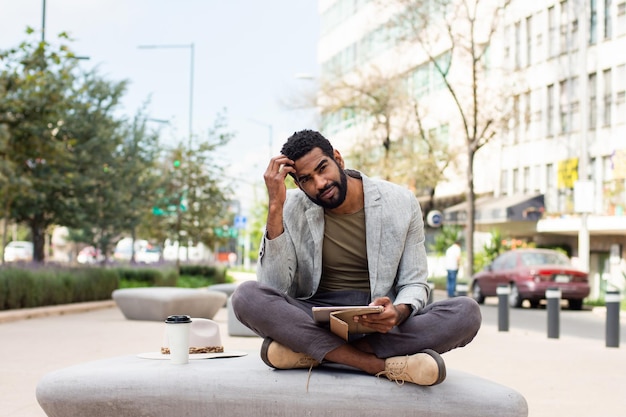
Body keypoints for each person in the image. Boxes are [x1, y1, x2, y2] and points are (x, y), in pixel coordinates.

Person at [232, 130, 481, 387]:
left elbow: (414, 283)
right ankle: (373, 364)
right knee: (246, 296)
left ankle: (313, 353)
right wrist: (275, 206)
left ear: (338, 159)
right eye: (307, 179)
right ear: (298, 184)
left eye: (322, 169)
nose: (319, 183)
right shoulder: (290, 205)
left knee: (466, 312)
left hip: (377, 319)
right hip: (315, 317)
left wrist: (398, 311)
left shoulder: (401, 202)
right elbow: (273, 289)